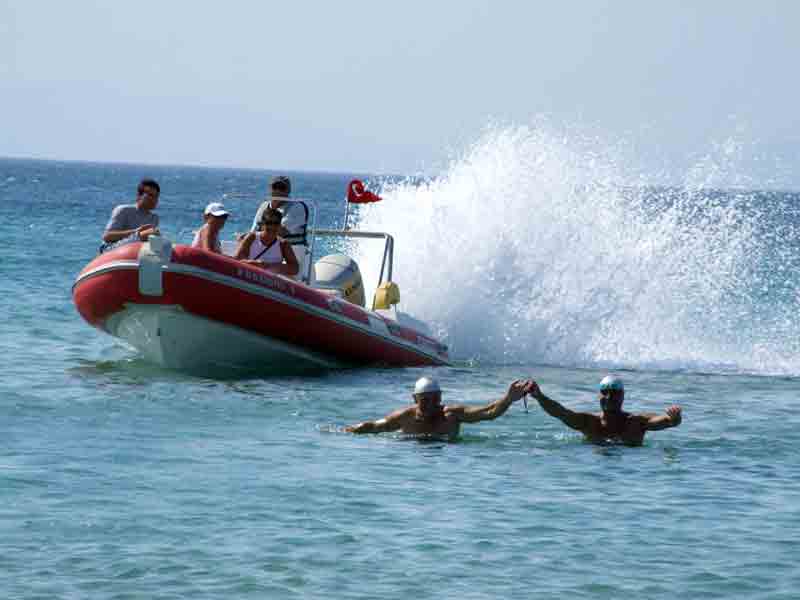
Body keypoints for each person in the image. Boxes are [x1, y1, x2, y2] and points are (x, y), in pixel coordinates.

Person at [345, 377, 533, 440]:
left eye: (434, 399)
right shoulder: (404, 417)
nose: (430, 404)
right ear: (414, 399)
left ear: (440, 397)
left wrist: (509, 398)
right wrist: (347, 431)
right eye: (424, 400)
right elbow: (376, 426)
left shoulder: (451, 415)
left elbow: (489, 412)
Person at [529, 375, 682, 446]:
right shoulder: (588, 422)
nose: (608, 397)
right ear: (599, 395)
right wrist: (539, 396)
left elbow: (664, 421)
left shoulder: (635, 422)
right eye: (604, 392)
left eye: (614, 393)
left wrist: (674, 418)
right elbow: (560, 412)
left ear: (622, 396)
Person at [251, 176, 309, 277]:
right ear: (270, 189)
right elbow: (254, 231)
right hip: (264, 252)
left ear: (288, 191)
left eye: (282, 188)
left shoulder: (297, 207)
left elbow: (279, 231)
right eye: (275, 187)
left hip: (291, 254)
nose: (278, 191)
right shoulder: (264, 206)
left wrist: (261, 228)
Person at [100, 178, 161, 252]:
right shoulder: (123, 210)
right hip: (111, 250)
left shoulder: (154, 218)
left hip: (134, 251)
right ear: (139, 196)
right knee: (145, 234)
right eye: (150, 195)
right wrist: (136, 232)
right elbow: (107, 236)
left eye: (156, 196)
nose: (154, 199)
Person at [234, 208, 299, 276]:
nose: (272, 226)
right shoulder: (251, 238)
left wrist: (268, 266)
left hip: (272, 280)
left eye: (276, 223)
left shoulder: (283, 244)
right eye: (268, 222)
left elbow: (295, 268)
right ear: (262, 224)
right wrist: (254, 263)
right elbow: (237, 259)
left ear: (280, 225)